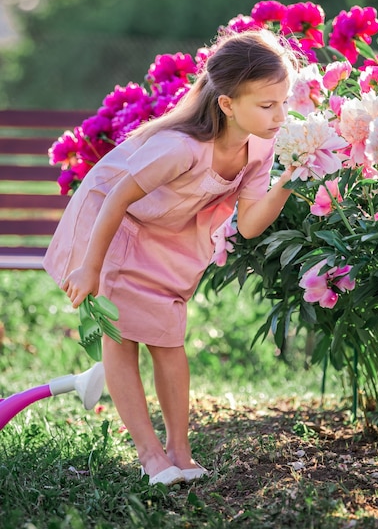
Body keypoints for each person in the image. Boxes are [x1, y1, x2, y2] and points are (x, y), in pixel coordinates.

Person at [43, 28, 299, 486]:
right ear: (226, 104)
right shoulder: (181, 147)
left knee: (168, 339)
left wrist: (292, 177)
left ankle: (180, 451)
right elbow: (116, 196)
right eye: (267, 105)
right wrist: (90, 267)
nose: (280, 114)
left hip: (168, 238)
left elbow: (250, 224)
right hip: (116, 229)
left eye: (284, 101)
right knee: (121, 340)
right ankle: (151, 457)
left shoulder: (259, 147)